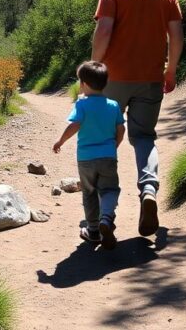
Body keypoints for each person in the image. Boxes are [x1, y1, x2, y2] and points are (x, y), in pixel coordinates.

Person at [92, 0, 184, 237]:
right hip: (151, 79)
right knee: (144, 137)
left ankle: (104, 215)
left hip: (114, 79)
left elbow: (104, 29)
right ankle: (148, 190)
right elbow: (176, 35)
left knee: (105, 139)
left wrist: (94, 69)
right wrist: (170, 70)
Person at [52, 61, 125, 250]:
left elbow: (74, 125)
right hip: (108, 156)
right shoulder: (113, 105)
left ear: (83, 84)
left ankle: (93, 230)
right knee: (109, 190)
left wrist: (60, 141)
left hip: (86, 159)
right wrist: (114, 146)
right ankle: (107, 219)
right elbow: (121, 128)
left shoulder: (82, 104)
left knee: (90, 193)